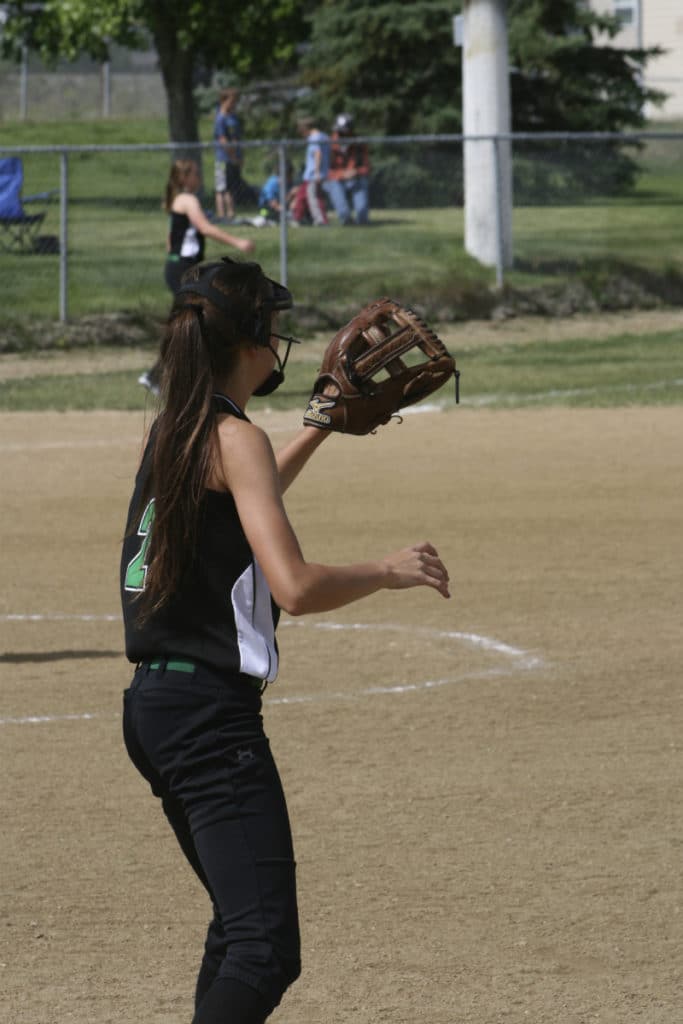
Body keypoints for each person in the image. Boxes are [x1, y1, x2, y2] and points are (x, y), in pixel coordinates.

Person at [120, 256, 451, 1024]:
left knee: (239, 928)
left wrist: (317, 427)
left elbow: (245, 491)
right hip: (208, 717)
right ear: (251, 343)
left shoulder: (176, 427)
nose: (281, 341)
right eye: (272, 327)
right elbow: (294, 588)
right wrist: (386, 570)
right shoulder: (232, 438)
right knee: (264, 946)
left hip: (157, 708)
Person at [138, 159, 255, 395]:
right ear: (184, 178)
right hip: (181, 269)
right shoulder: (187, 200)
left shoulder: (180, 200)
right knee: (188, 323)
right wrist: (238, 242)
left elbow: (171, 239)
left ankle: (158, 377)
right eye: (195, 173)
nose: (199, 177)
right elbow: (205, 228)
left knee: (187, 323)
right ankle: (159, 377)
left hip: (181, 267)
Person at [324, 112, 371, 226]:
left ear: (351, 130)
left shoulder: (359, 143)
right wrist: (342, 174)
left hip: (355, 178)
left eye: (343, 131)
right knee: (334, 185)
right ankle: (346, 219)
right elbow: (326, 170)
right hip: (335, 179)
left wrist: (356, 171)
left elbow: (367, 167)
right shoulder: (330, 143)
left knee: (362, 212)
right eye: (338, 131)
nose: (340, 133)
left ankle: (362, 219)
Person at [290, 117, 330, 227]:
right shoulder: (324, 136)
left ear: (306, 129)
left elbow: (317, 153)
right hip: (312, 174)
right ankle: (297, 218)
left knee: (314, 198)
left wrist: (317, 172)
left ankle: (321, 220)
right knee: (302, 195)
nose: (302, 135)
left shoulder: (314, 138)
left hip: (313, 174)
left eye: (302, 131)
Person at [213, 88, 244, 222]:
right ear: (223, 101)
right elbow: (223, 140)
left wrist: (240, 156)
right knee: (221, 188)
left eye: (235, 101)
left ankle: (231, 214)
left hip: (234, 158)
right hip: (223, 159)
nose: (234, 104)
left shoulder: (233, 118)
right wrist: (232, 156)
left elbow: (237, 138)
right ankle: (221, 215)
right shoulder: (220, 118)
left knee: (231, 187)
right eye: (231, 101)